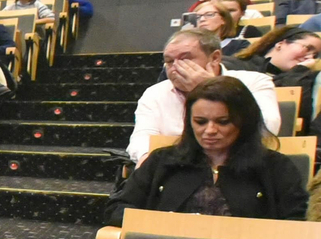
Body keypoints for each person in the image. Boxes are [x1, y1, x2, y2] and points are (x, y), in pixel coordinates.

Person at [106, 77, 306, 225]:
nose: (210, 131)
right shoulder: (163, 160)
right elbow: (118, 209)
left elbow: (296, 222)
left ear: (244, 122)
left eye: (223, 122)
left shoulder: (275, 167)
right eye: (200, 122)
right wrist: (160, 223)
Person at [126, 28, 281, 165]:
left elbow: (267, 128)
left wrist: (211, 89)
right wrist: (148, 160)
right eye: (169, 61)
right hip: (174, 168)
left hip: (238, 166)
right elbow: (141, 138)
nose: (176, 68)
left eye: (185, 59)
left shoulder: (255, 82)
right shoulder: (156, 93)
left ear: (215, 58)